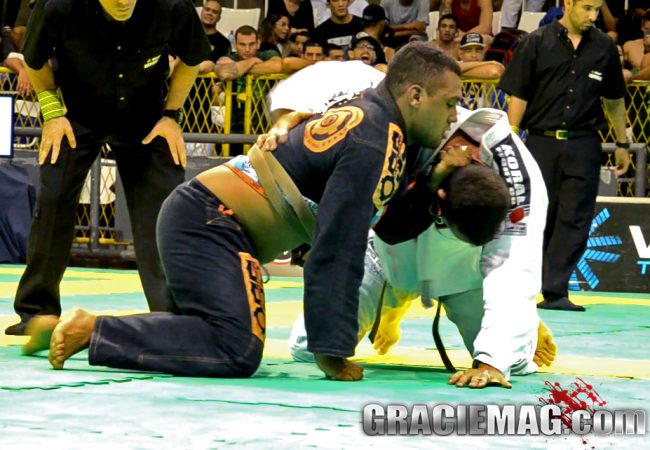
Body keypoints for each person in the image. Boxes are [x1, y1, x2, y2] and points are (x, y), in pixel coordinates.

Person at [27, 43, 469, 382]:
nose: (453, 117)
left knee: (204, 331)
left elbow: (387, 228)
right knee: (236, 347)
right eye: (449, 104)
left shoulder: (377, 121)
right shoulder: (374, 139)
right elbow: (338, 247)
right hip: (209, 222)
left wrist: (435, 177)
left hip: (205, 219)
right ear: (415, 95)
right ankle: (92, 330)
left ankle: (77, 329)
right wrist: (331, 351)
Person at [289, 106, 556, 388]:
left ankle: (525, 319)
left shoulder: (518, 178)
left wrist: (492, 363)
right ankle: (397, 301)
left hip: (465, 275)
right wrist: (291, 120)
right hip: (385, 259)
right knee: (308, 348)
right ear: (439, 204)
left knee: (512, 362)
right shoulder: (403, 128)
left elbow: (513, 267)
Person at [5, 0, 210, 337]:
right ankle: (36, 311)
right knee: (53, 200)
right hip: (76, 111)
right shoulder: (58, 5)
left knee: (164, 211)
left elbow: (191, 59)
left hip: (146, 114)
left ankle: (173, 316)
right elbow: (35, 60)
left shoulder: (171, 5)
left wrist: (171, 116)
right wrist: (53, 114)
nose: (123, 1)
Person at [498, 0, 630, 312]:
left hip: (584, 144)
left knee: (575, 219)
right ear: (567, 3)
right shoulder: (535, 42)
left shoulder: (604, 47)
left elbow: (614, 99)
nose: (593, 16)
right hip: (540, 143)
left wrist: (622, 143)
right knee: (535, 216)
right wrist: (512, 138)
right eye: (586, 8)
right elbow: (519, 95)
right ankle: (524, 287)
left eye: (596, 9)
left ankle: (556, 291)